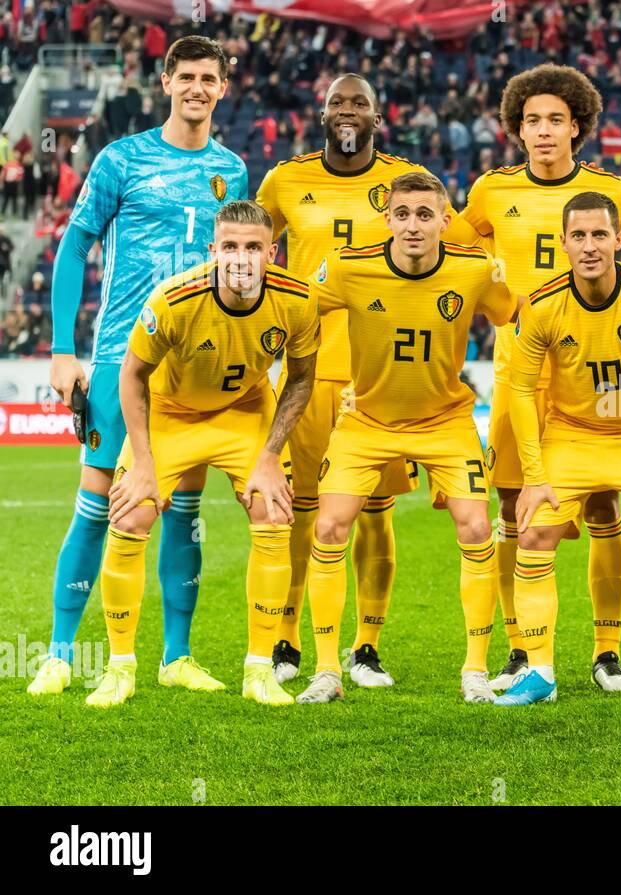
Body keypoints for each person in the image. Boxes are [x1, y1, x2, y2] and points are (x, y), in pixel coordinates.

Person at [29, 36, 248, 697]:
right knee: (97, 502)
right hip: (122, 357)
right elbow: (74, 248)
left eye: (209, 78)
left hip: (198, 367)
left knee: (184, 506)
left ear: (223, 88)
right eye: (186, 76)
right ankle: (61, 652)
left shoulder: (233, 171)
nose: (197, 87)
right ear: (166, 82)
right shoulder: (120, 159)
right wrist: (63, 350)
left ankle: (175, 656)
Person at [444, 63, 621, 694]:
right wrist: (497, 302)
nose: (542, 131)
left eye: (555, 119)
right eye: (531, 120)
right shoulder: (490, 191)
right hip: (519, 372)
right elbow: (454, 255)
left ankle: (607, 651)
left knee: (604, 502)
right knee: (516, 506)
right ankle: (520, 648)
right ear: (516, 128)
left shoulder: (616, 191)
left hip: (596, 371)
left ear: (578, 126)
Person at [297, 171, 517, 705]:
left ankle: (474, 671)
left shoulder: (473, 271)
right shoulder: (350, 266)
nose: (413, 225)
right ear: (388, 219)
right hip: (366, 421)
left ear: (446, 220)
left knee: (474, 526)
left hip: (445, 421)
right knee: (328, 525)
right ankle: (327, 671)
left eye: (425, 215)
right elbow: (297, 306)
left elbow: (513, 314)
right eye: (402, 215)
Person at [87, 200, 317, 707]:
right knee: (129, 513)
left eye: (253, 247)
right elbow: (131, 376)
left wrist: (269, 455)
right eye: (230, 246)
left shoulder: (298, 299)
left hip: (246, 411)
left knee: (275, 513)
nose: (241, 257)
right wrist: (144, 466)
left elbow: (301, 378)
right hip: (172, 413)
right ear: (213, 251)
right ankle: (120, 668)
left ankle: (259, 670)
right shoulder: (174, 298)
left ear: (271, 253)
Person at [256, 73, 432, 688]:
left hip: (380, 377)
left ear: (378, 118)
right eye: (338, 102)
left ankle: (366, 648)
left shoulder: (407, 185)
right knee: (301, 515)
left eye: (359, 102)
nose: (347, 111)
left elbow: (448, 251)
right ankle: (285, 643)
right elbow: (250, 250)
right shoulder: (286, 179)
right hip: (307, 374)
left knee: (376, 514)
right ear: (322, 113)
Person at [504, 191, 621, 707]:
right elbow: (522, 389)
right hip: (572, 434)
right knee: (536, 532)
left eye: (599, 235)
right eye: (578, 236)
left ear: (618, 239)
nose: (589, 246)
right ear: (563, 243)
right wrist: (533, 474)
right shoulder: (541, 305)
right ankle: (539, 671)